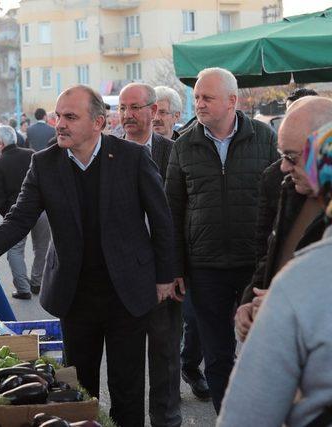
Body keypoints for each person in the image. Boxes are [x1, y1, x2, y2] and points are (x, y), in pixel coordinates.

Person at [0, 85, 176, 426]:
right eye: (58, 116)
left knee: (127, 388)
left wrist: (164, 276)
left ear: (98, 122)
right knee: (79, 388)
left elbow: (161, 219)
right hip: (75, 294)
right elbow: (20, 217)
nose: (60, 124)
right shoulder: (44, 163)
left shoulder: (132, 157)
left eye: (70, 117)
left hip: (127, 292)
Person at [165, 67, 278, 413]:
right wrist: (176, 268)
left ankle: (262, 415)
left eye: (206, 97)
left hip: (254, 264)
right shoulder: (183, 145)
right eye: (197, 97)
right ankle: (228, 417)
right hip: (205, 267)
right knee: (216, 353)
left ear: (231, 101)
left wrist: (275, 263)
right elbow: (172, 210)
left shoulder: (264, 138)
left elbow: (280, 202)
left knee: (262, 347)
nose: (198, 103)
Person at [217, 122, 332, 427]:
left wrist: (282, 305)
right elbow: (267, 253)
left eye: (293, 158)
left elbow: (246, 416)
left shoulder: (301, 284)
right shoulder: (284, 187)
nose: (283, 167)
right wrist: (251, 300)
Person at [234, 96, 332, 342]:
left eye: (291, 157)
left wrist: (290, 301)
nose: (283, 167)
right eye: (282, 155)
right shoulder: (291, 189)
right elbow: (272, 255)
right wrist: (248, 304)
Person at [119, 82, 182, 427]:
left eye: (135, 108)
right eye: (122, 109)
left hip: (164, 271)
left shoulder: (175, 152)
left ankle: (166, 419)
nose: (127, 115)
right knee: (126, 356)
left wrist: (175, 271)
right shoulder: (108, 152)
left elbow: (182, 215)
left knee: (165, 351)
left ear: (153, 111)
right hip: (123, 271)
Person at [152, 85, 209, 400]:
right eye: (154, 110)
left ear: (176, 115)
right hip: (146, 251)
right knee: (161, 328)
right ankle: (168, 384)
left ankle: (189, 365)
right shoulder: (126, 147)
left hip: (186, 247)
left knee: (194, 317)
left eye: (163, 112)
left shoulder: (187, 147)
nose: (157, 117)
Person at [0, 125, 50, 300]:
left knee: (15, 250)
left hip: (16, 214)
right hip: (42, 210)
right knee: (42, 248)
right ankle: (37, 283)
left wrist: (5, 214)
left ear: (0, 143)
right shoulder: (32, 154)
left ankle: (23, 288)